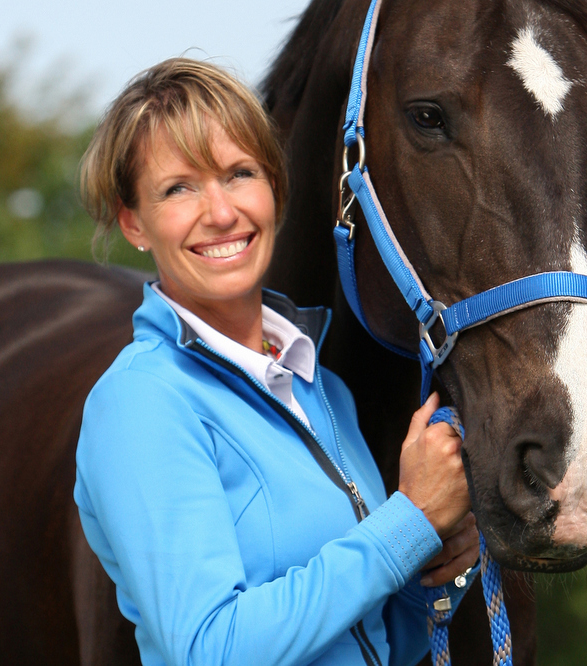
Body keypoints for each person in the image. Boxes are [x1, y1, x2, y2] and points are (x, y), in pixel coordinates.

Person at [73, 57, 479, 666]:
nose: (220, 212)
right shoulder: (141, 404)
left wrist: (441, 560)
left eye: (240, 174)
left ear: (274, 190)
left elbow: (374, 644)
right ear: (134, 222)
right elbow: (212, 649)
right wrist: (410, 521)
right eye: (179, 188)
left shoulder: (321, 388)